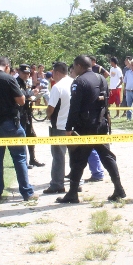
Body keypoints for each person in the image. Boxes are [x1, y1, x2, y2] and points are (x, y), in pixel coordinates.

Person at [59, 55, 125, 204]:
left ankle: (72, 194)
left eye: (74, 67)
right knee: (107, 157)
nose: (73, 70)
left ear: (80, 66)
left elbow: (74, 108)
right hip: (101, 125)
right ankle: (118, 188)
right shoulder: (101, 79)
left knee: (77, 160)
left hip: (86, 127)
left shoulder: (79, 82)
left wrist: (68, 128)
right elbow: (105, 101)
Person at [0, 56, 36, 202]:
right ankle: (27, 192)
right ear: (7, 67)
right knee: (20, 157)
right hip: (9, 124)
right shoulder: (9, 79)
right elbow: (21, 101)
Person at [43, 62, 73, 195]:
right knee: (75, 156)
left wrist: (47, 114)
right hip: (74, 125)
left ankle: (57, 184)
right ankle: (76, 183)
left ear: (57, 72)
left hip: (60, 125)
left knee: (58, 156)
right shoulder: (75, 83)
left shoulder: (57, 87)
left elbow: (51, 108)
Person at [15, 64, 45, 167]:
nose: (26, 75)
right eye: (24, 73)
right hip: (20, 113)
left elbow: (27, 93)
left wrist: (34, 94)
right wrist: (32, 93)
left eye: (28, 73)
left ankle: (33, 159)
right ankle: (24, 161)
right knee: (22, 136)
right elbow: (22, 94)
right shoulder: (16, 82)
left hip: (27, 113)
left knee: (31, 135)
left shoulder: (26, 82)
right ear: (19, 72)